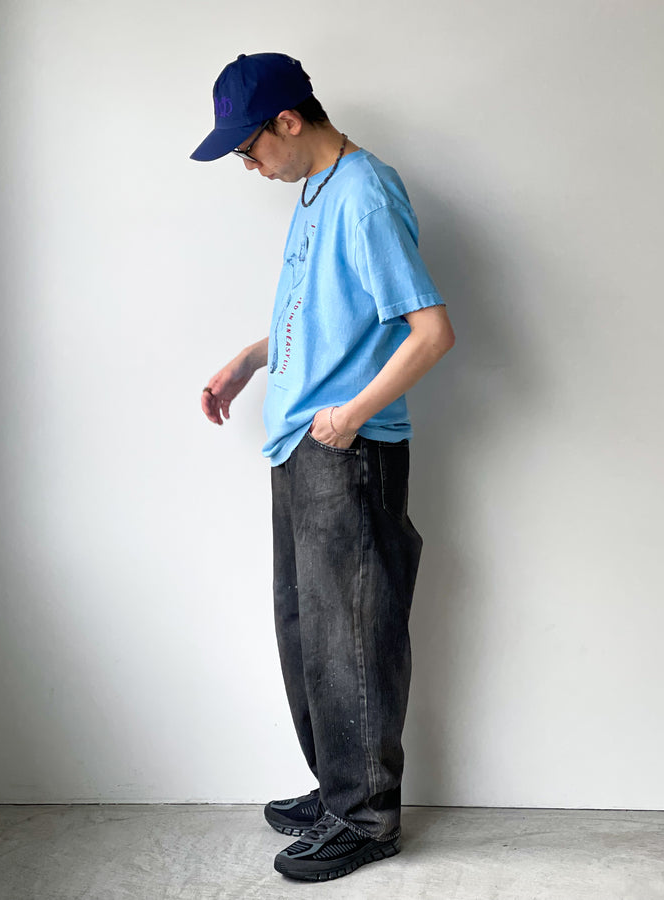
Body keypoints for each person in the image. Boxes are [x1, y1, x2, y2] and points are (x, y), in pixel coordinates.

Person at [191, 52, 455, 882]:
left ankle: (366, 816)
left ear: (289, 120)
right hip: (301, 443)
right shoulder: (315, 192)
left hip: (347, 449)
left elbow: (431, 333)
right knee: (307, 629)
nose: (249, 166)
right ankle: (340, 789)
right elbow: (326, 316)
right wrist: (251, 359)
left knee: (353, 635)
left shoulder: (365, 193)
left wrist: (348, 418)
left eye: (249, 149)